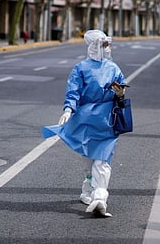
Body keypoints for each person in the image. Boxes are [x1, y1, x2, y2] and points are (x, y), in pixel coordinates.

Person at [41, 29, 127, 217]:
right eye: (102, 44)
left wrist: (120, 93)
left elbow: (122, 88)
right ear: (93, 45)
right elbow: (73, 91)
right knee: (89, 154)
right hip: (86, 118)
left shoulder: (113, 67)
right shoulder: (81, 68)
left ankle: (99, 197)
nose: (106, 47)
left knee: (103, 159)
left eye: (107, 44)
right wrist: (68, 110)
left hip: (107, 121)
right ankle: (88, 189)